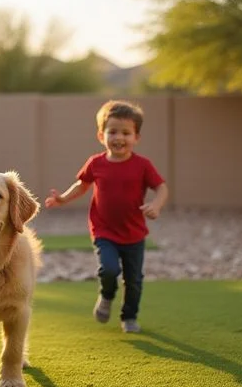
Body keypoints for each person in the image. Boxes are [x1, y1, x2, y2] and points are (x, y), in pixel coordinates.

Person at [45, 100, 168, 333]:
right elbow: (82, 186)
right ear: (102, 135)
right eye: (113, 132)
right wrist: (62, 198)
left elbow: (161, 187)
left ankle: (129, 317)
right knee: (109, 270)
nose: (119, 137)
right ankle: (106, 295)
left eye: (126, 133)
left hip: (134, 234)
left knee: (134, 281)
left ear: (136, 137)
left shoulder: (142, 165)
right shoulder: (96, 163)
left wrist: (157, 206)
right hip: (104, 231)